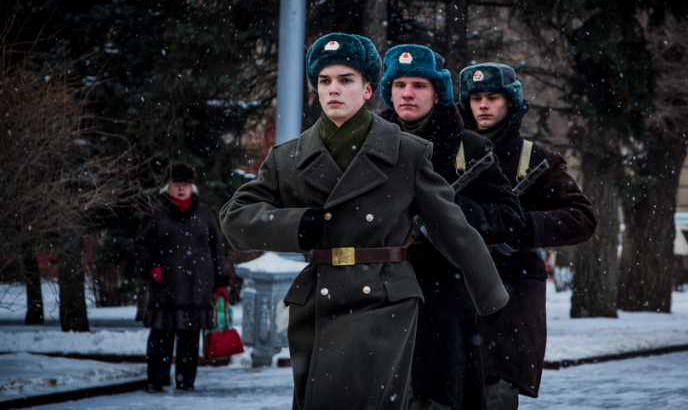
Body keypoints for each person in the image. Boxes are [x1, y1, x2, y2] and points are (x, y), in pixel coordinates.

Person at [219, 33, 509, 410]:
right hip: (318, 300)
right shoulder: (287, 158)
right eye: (325, 81)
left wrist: (490, 295)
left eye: (345, 80)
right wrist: (293, 225)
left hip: (384, 300)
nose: (333, 89)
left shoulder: (406, 152)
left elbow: (451, 227)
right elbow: (234, 218)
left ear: (368, 89)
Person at [378, 44, 524, 410]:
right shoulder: (371, 144)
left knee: (438, 396)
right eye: (399, 85)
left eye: (419, 85)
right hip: (380, 297)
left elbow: (508, 217)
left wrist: (449, 211)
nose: (407, 94)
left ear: (438, 91)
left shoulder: (467, 146)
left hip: (444, 300)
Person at [458, 63, 597, 409]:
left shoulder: (535, 159)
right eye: (476, 98)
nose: (484, 105)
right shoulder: (446, 154)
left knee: (498, 393)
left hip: (511, 294)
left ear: (511, 102)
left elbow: (582, 218)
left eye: (493, 97)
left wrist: (524, 224)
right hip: (453, 290)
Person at [134, 162, 230, 393]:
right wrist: (150, 266)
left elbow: (216, 248)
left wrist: (220, 282)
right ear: (168, 186)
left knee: (189, 340)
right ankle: (156, 380)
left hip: (198, 287)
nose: (181, 189)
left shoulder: (204, 212)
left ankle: (186, 382)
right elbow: (140, 245)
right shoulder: (155, 212)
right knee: (161, 338)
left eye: (185, 184)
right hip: (166, 286)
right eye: (176, 184)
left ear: (192, 187)